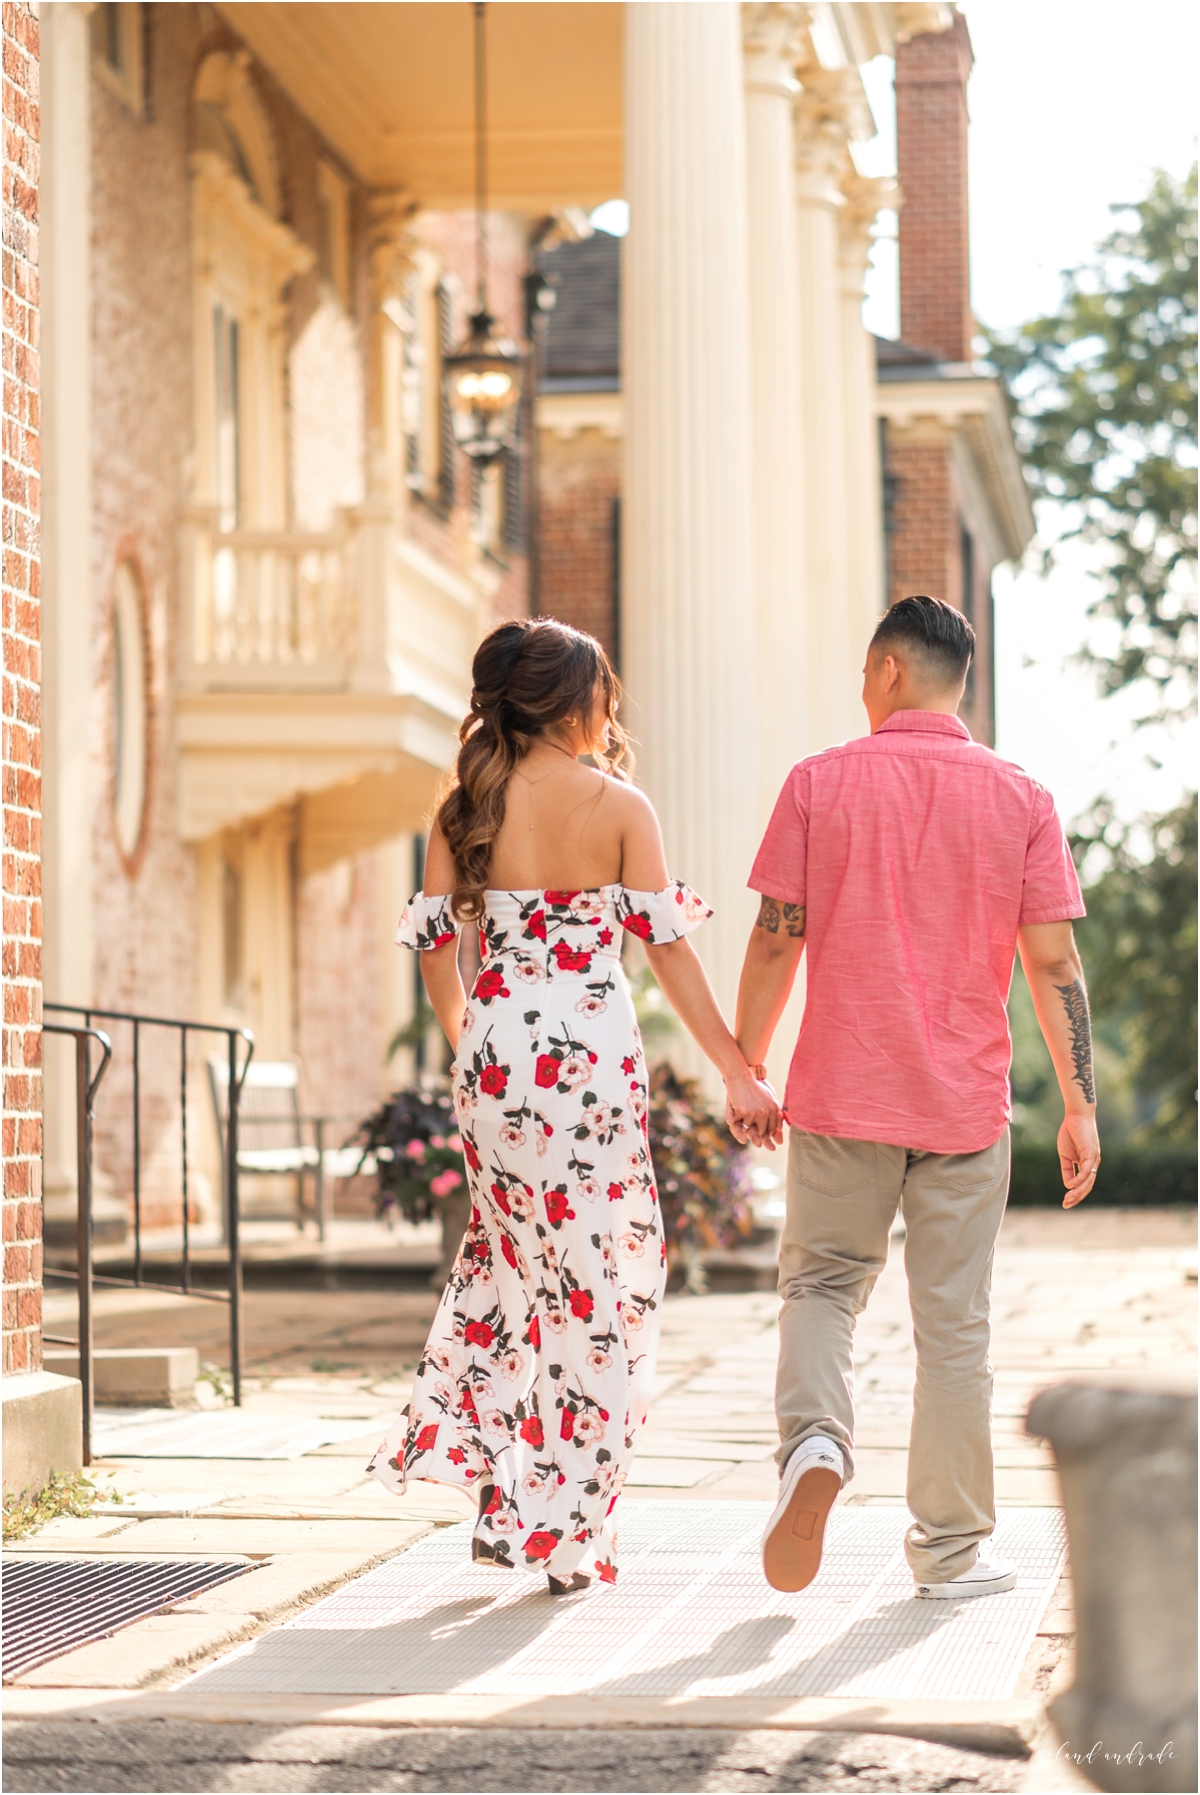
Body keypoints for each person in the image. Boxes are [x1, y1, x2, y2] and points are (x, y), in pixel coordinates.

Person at [369, 618, 778, 1592]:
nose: (614, 709)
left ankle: (511, 1504)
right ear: (571, 701)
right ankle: (566, 1528)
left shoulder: (465, 803)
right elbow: (670, 953)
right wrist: (736, 1068)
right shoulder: (620, 806)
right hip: (586, 1065)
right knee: (601, 1286)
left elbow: (436, 952)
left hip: (496, 1062)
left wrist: (472, 1038)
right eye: (604, 692)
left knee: (516, 1273)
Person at [736, 595, 1100, 1600]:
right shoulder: (1020, 796)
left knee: (820, 1289)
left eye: (863, 674)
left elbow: (776, 934)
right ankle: (949, 1551)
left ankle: (814, 1444)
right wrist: (1080, 1102)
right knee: (955, 1329)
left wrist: (749, 1063)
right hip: (963, 1103)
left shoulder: (818, 782)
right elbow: (1054, 960)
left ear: (889, 670)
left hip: (842, 1094)